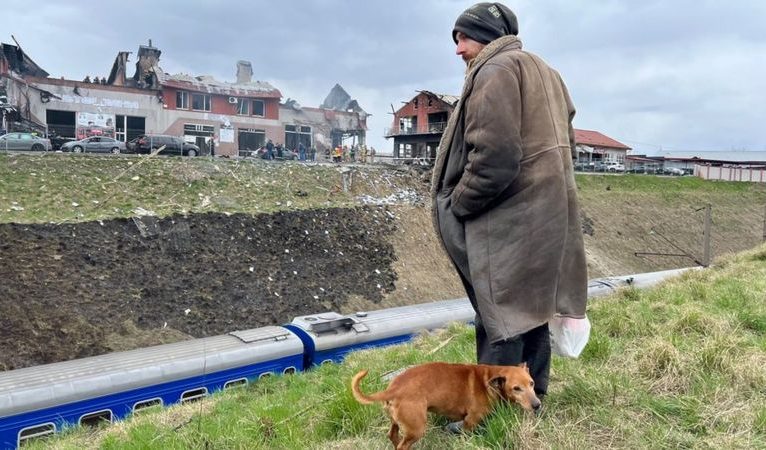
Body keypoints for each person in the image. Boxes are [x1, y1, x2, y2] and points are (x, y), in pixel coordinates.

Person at [431, 2, 587, 422]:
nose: (458, 49)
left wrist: (459, 203)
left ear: (483, 35)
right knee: (533, 312)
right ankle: (529, 410)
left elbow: (495, 158)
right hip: (546, 215)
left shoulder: (495, 71)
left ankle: (492, 418)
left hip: (508, 221)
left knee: (499, 318)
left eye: (462, 37)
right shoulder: (545, 71)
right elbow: (566, 139)